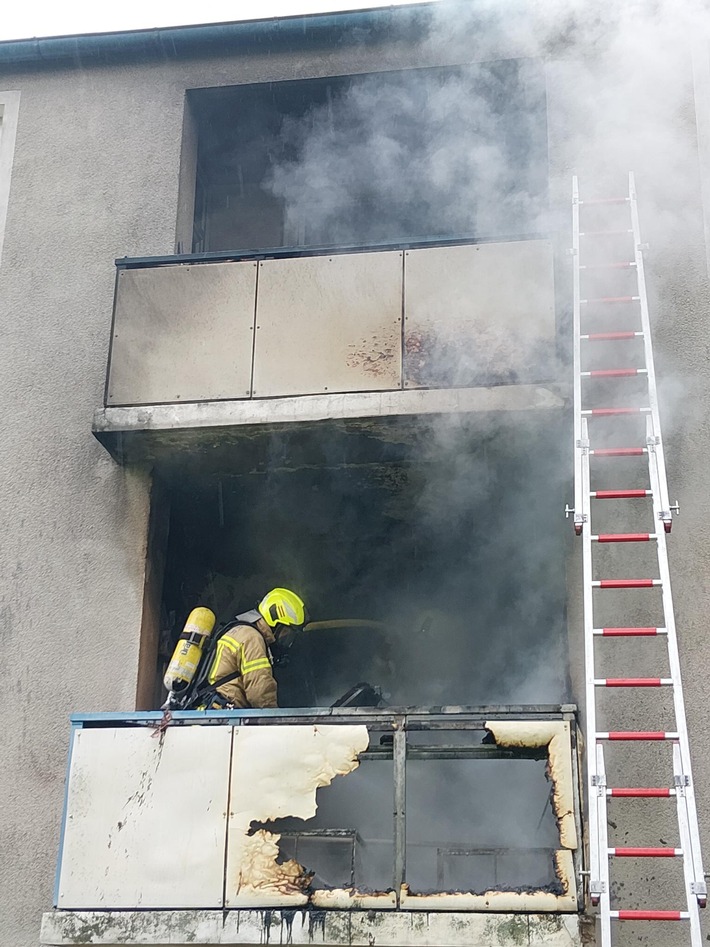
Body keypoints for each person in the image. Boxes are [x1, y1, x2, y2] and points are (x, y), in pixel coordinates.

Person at [206, 587, 306, 709]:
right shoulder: (252, 637)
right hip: (226, 715)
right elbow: (260, 690)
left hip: (216, 710)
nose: (285, 640)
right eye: (286, 633)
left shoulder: (239, 630)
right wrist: (274, 722)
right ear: (274, 620)